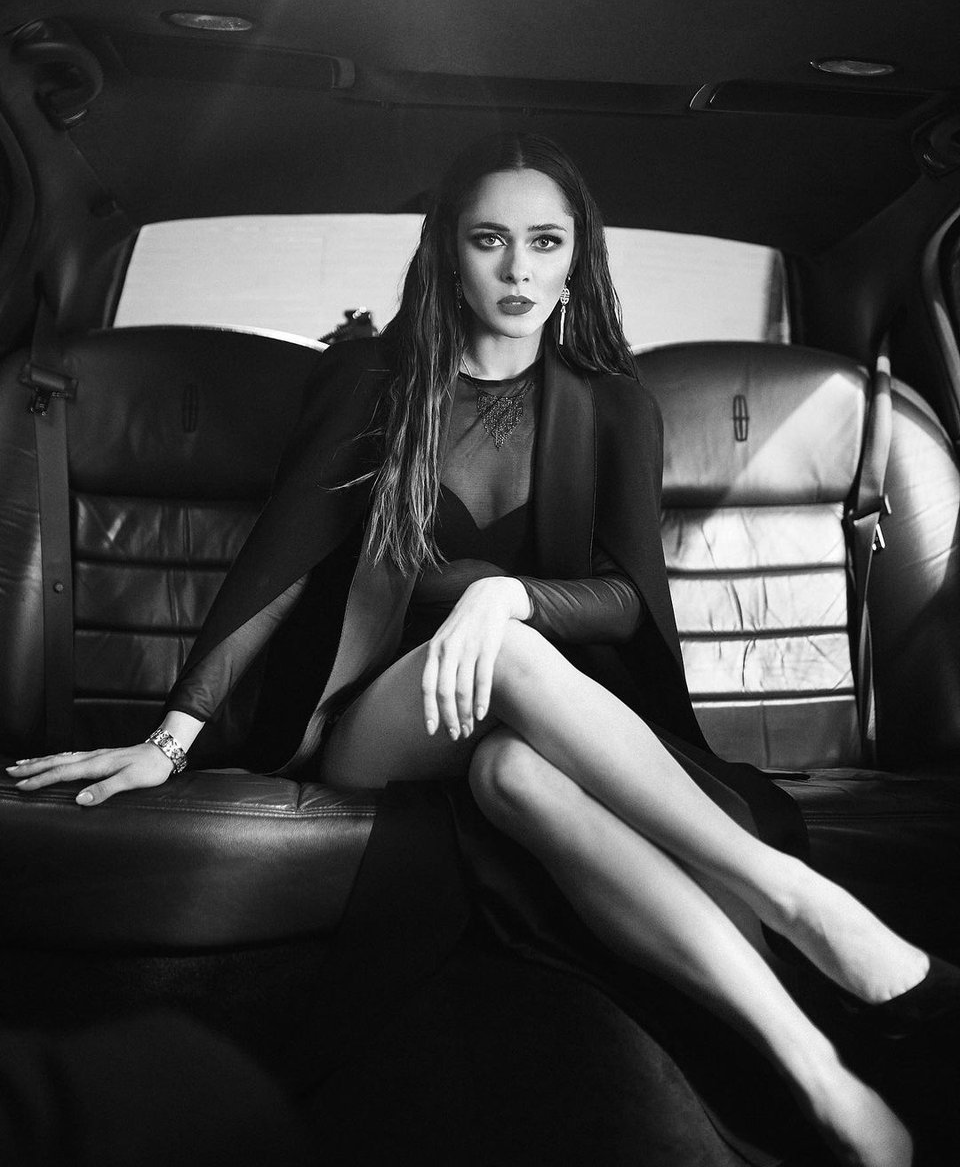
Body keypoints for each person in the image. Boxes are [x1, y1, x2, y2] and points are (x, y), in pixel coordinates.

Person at [9, 132, 944, 1167]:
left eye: (545, 242)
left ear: (577, 258)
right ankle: (798, 899)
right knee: (507, 658)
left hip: (527, 725)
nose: (517, 269)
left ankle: (816, 1073)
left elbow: (628, 602)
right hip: (375, 717)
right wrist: (171, 739)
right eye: (489, 240)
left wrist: (506, 596)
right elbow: (280, 563)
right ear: (448, 253)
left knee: (515, 777)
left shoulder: (613, 404)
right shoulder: (373, 382)